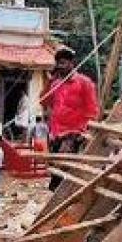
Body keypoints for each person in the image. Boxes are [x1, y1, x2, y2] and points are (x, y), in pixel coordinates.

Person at [40, 47, 99, 190]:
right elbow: (43, 101)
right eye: (58, 63)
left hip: (74, 133)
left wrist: (85, 132)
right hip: (56, 134)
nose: (60, 67)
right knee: (56, 169)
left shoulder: (84, 82)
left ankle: (61, 196)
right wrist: (50, 80)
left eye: (63, 63)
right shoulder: (55, 83)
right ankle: (57, 198)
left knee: (63, 170)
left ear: (72, 63)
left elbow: (93, 110)